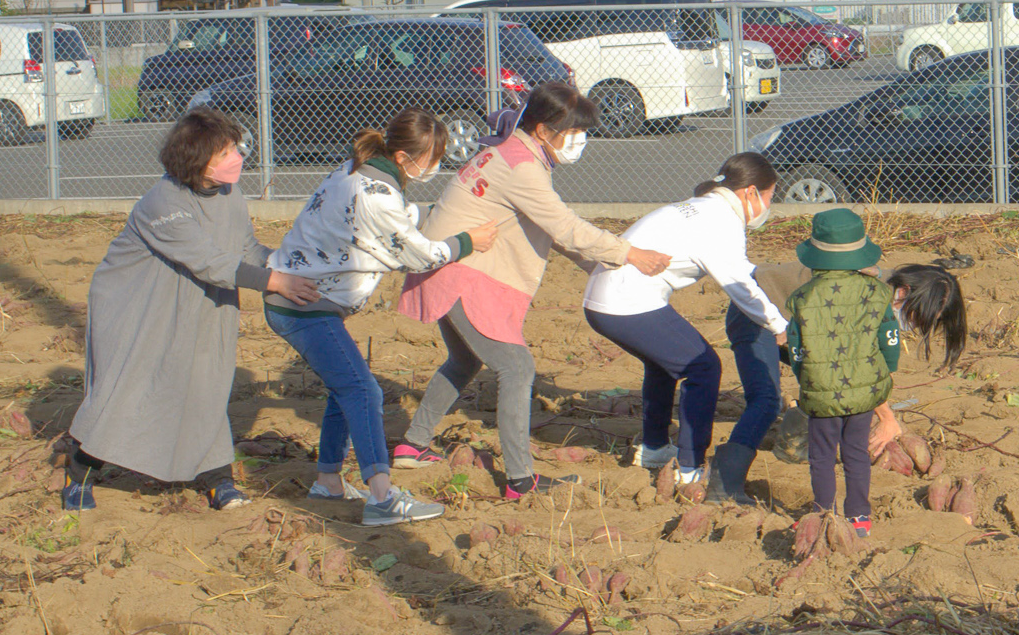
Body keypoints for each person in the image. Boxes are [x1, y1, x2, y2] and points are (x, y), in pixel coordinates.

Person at [394, 81, 666, 499]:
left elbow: (548, 228)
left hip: (453, 268)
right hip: (463, 273)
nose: (580, 140)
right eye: (573, 131)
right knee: (516, 367)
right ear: (543, 129)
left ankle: (414, 443)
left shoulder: (511, 154)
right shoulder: (520, 167)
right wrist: (629, 254)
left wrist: (598, 264)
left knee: (465, 360)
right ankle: (521, 480)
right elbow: (565, 226)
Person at [62, 108, 322, 511]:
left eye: (235, 147)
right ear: (197, 160)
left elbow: (244, 248)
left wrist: (285, 263)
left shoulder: (229, 194)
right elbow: (209, 261)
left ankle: (218, 478)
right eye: (225, 152)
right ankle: (79, 472)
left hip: (200, 302)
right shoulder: (162, 202)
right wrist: (275, 282)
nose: (236, 157)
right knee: (130, 388)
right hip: (142, 306)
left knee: (206, 384)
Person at [264, 110, 496, 526]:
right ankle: (382, 497)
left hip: (309, 303)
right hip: (304, 309)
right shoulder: (375, 195)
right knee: (363, 391)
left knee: (345, 389)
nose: (435, 166)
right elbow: (420, 255)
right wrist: (468, 241)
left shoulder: (355, 169)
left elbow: (394, 225)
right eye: (433, 157)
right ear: (406, 157)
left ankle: (328, 481)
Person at [582, 153, 786, 491]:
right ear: (750, 192)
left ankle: (655, 448)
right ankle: (690, 468)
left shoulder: (702, 206)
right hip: (624, 302)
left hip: (605, 298)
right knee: (702, 367)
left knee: (664, 365)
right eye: (769, 195)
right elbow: (739, 285)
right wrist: (778, 326)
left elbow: (738, 269)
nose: (768, 204)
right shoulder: (720, 222)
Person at [729, 260, 968, 499]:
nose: (917, 325)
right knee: (765, 402)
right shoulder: (863, 297)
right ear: (904, 291)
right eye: (920, 316)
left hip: (801, 324)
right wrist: (886, 419)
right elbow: (852, 368)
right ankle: (725, 481)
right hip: (756, 306)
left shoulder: (887, 293)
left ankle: (798, 439)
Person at [784, 209, 899, 535]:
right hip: (864, 391)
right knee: (856, 453)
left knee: (821, 456)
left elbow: (795, 347)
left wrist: (805, 376)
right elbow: (889, 339)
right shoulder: (877, 292)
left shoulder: (802, 298)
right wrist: (884, 374)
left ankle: (824, 515)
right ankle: (860, 517)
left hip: (821, 391)